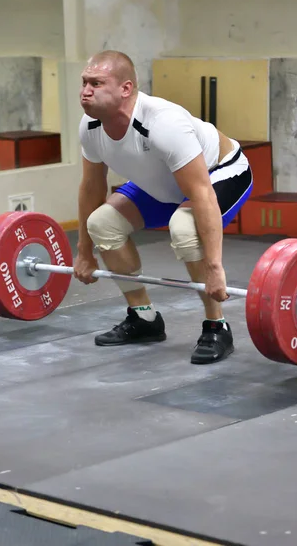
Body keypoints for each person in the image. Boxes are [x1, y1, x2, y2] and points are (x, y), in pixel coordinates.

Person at [73, 50, 253, 364]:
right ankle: (143, 318)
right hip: (162, 183)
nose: (86, 91)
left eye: (96, 83)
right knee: (103, 224)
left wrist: (214, 268)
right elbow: (91, 187)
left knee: (183, 228)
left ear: (125, 89)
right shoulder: (90, 127)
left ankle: (216, 325)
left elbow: (202, 193)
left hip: (220, 172)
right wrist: (84, 251)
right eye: (85, 82)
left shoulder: (162, 123)